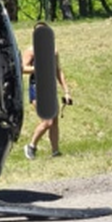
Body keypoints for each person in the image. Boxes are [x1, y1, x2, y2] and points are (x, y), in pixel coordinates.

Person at [21, 22, 72, 159]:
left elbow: (58, 70)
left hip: (50, 87)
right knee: (47, 121)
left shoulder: (53, 51)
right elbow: (22, 68)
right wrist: (38, 68)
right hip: (37, 87)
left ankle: (55, 151)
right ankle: (31, 146)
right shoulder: (31, 51)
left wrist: (66, 90)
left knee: (54, 122)